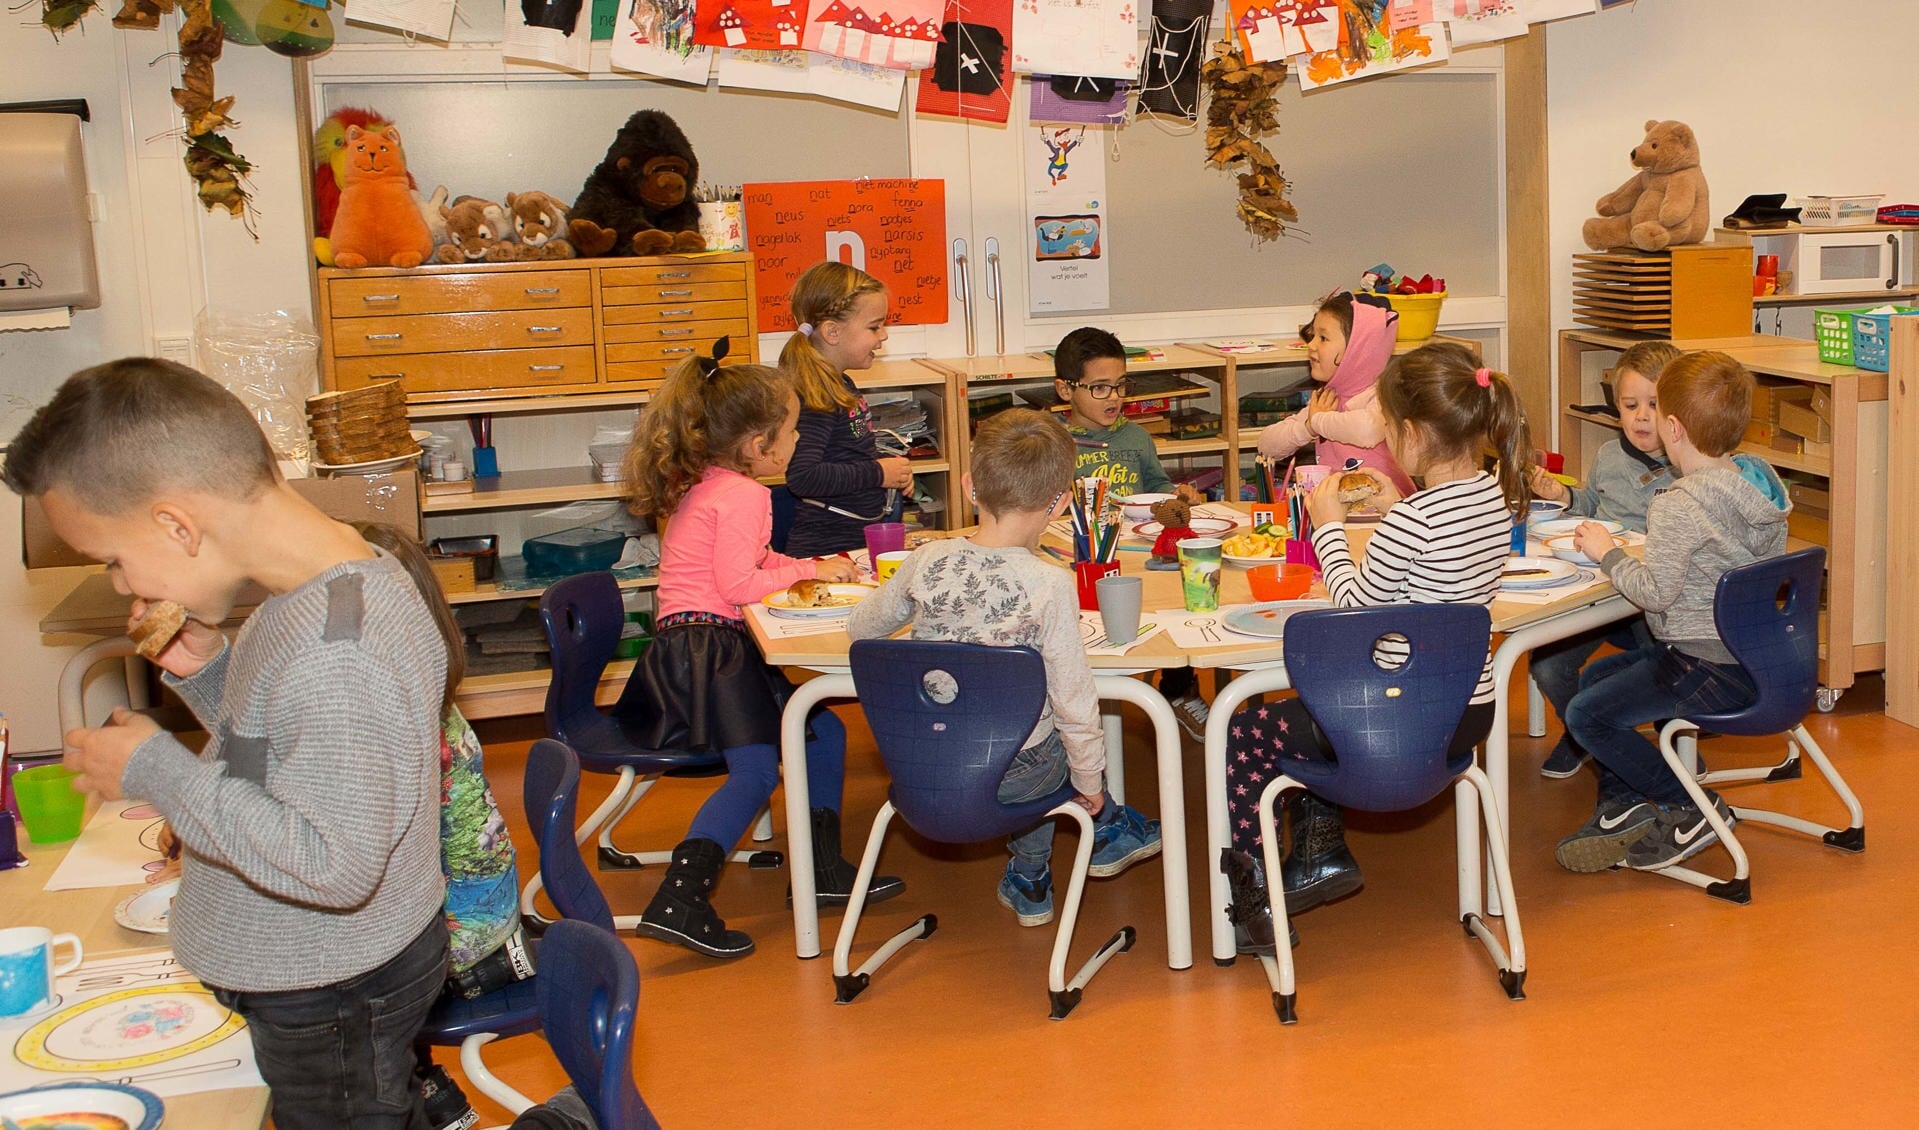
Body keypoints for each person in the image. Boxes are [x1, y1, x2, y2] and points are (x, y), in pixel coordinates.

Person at [7, 358, 449, 1129]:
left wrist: (156, 770)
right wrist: (213, 676)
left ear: (177, 524)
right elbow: (302, 754)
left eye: (112, 559)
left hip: (330, 990)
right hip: (328, 976)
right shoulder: (321, 586)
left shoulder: (340, 645)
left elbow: (332, 863)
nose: (118, 583)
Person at [1218, 342, 1529, 954]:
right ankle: (1319, 847)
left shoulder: (1411, 523)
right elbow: (1438, 563)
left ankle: (1254, 897)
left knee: (1248, 730)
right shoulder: (1491, 496)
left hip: (1386, 722)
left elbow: (1355, 601)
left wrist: (1329, 525)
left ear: (1411, 434)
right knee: (1311, 708)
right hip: (1467, 715)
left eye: (1388, 431)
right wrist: (1401, 507)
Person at [622, 340, 902, 959]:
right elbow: (738, 584)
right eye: (794, 430)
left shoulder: (714, 481)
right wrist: (809, 574)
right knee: (754, 772)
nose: (798, 441)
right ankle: (680, 900)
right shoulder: (746, 494)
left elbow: (753, 562)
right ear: (758, 444)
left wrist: (817, 567)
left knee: (820, 730)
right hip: (709, 649)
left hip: (692, 643)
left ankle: (823, 867)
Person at [846, 409, 1164, 927]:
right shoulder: (1050, 584)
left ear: (970, 486)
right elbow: (1074, 698)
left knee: (1020, 731)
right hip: (1018, 780)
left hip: (922, 762)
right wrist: (1091, 785)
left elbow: (862, 628)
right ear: (1062, 502)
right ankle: (1081, 840)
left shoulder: (927, 559)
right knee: (1045, 738)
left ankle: (1037, 873)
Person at [1556, 351, 1789, 874]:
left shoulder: (1678, 503)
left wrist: (1606, 553)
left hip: (1704, 664)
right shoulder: (1760, 484)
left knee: (1586, 714)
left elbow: (1655, 594)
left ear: (1674, 427)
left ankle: (1691, 807)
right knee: (1598, 676)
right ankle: (1629, 803)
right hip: (1761, 658)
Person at [356, 519, 527, 1130]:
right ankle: (426, 1084)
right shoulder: (419, 687)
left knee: (312, 979)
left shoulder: (394, 718)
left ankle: (407, 1086)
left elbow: (359, 862)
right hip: (474, 911)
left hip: (464, 943)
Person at [1527, 341, 1679, 779]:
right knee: (1548, 663)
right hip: (1601, 584)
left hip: (1655, 595)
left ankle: (1674, 748)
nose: (1642, 417)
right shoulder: (1610, 455)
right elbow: (1594, 502)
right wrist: (1564, 496)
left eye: (1654, 404)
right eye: (1631, 405)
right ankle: (1585, 733)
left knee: (1667, 662)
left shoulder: (1688, 462)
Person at [1051, 326, 1211, 739]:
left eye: (1120, 385)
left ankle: (1177, 689)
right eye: (1099, 388)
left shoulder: (1136, 437)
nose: (1115, 397)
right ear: (1065, 390)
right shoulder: (1055, 443)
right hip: (1082, 558)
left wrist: (1177, 497)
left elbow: (1156, 487)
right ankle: (1075, 705)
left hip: (1140, 555)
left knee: (1179, 597)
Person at [780, 261, 913, 557]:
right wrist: (878, 473)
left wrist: (891, 470)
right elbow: (803, 477)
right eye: (874, 326)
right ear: (832, 332)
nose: (884, 335)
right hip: (828, 549)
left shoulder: (841, 383)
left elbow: (848, 452)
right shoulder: (816, 394)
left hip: (853, 543)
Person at [1255, 290, 1415, 496]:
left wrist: (1318, 421)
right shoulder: (1327, 398)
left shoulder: (1384, 394)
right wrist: (1307, 428)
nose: (1311, 345)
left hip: (1386, 514)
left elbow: (1369, 430)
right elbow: (1267, 447)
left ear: (1358, 350)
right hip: (1339, 512)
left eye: (1323, 338)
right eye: (1313, 336)